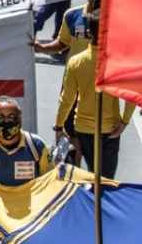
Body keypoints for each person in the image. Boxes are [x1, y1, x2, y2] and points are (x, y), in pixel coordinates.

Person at [53, 12, 134, 178]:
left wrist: (59, 126)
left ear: (89, 32)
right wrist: (125, 121)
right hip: (110, 129)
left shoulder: (75, 62)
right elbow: (130, 96)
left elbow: (67, 99)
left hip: (83, 129)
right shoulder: (118, 62)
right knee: (106, 179)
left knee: (90, 174)